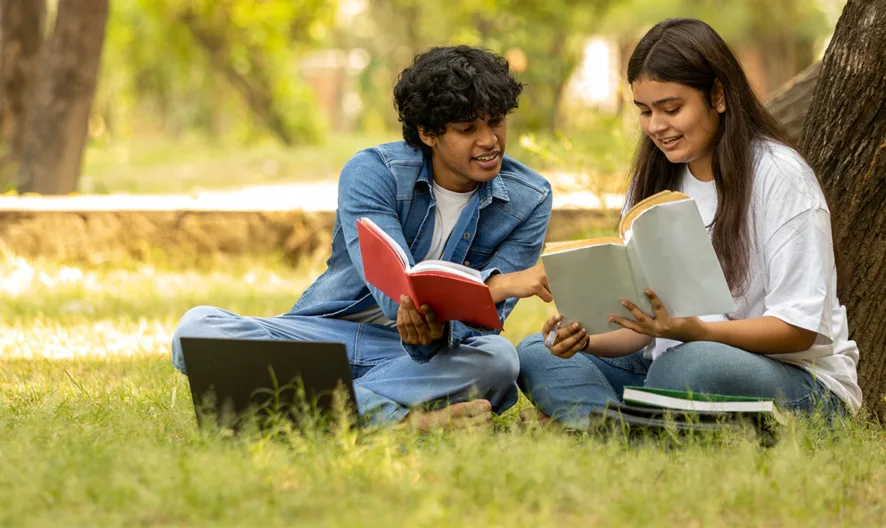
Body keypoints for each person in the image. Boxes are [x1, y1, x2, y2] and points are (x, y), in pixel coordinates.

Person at [171, 45, 553, 430]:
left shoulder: (529, 198)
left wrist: (436, 333)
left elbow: (483, 324)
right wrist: (501, 284)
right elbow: (397, 297)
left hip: (422, 359)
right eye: (468, 129)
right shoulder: (373, 172)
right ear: (428, 133)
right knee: (198, 329)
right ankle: (403, 422)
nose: (490, 140)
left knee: (498, 360)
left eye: (497, 122)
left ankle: (297, 407)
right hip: (326, 338)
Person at [516, 18, 861, 429]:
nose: (656, 127)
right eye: (645, 112)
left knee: (685, 369)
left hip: (792, 379)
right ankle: (619, 429)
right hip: (673, 360)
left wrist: (695, 331)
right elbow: (645, 330)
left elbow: (798, 330)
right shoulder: (654, 182)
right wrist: (584, 340)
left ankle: (606, 419)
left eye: (671, 108)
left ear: (717, 95)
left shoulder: (779, 176)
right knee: (537, 352)